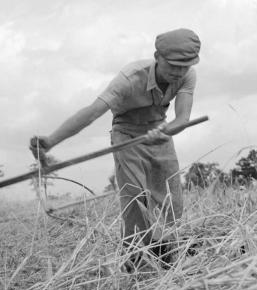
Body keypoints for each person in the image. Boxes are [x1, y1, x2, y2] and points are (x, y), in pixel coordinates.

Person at [30, 28, 201, 269]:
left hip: (160, 132)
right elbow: (91, 113)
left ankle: (167, 255)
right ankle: (135, 259)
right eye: (173, 65)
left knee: (171, 199)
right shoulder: (130, 78)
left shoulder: (187, 76)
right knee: (135, 197)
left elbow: (182, 119)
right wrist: (50, 141)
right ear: (157, 56)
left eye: (184, 66)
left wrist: (163, 132)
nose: (178, 72)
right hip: (126, 134)